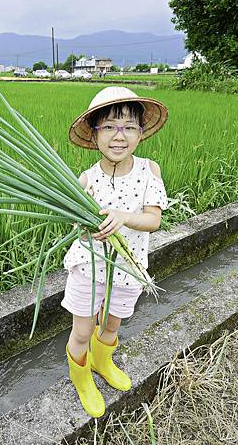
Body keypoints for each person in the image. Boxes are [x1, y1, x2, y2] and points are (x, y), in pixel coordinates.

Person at [62, 86, 169, 417]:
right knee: (82, 330)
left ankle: (102, 361)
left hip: (129, 266)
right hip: (89, 266)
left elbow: (153, 220)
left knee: (110, 325)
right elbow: (75, 224)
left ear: (140, 132)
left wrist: (123, 217)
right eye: (108, 126)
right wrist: (83, 224)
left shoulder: (149, 171)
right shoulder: (86, 180)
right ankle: (82, 380)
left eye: (128, 126)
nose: (118, 135)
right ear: (94, 134)